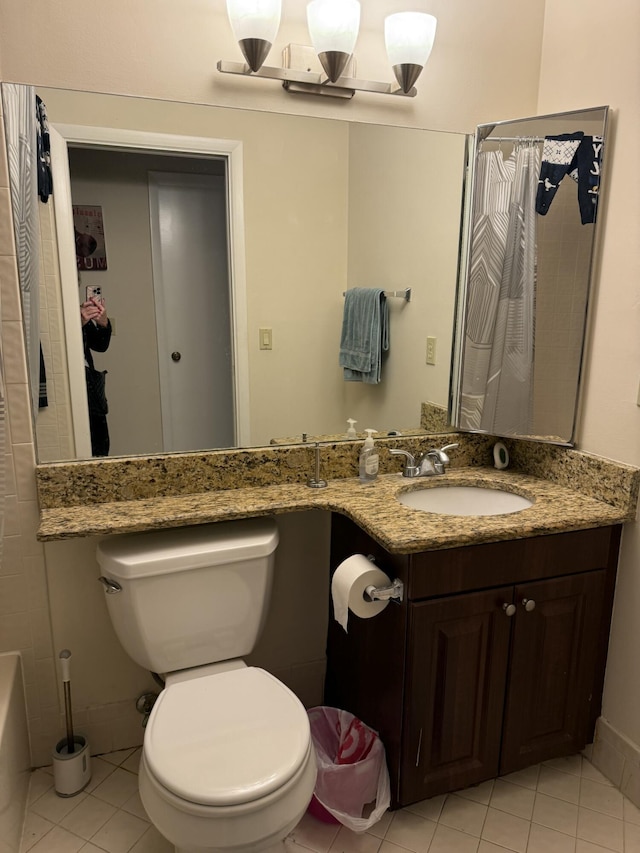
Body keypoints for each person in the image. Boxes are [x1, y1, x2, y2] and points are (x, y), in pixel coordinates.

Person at [81, 295, 112, 456]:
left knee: (100, 445)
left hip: (90, 384)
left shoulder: (79, 312)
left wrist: (103, 324)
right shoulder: (63, 314)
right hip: (70, 384)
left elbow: (100, 345)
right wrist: (76, 324)